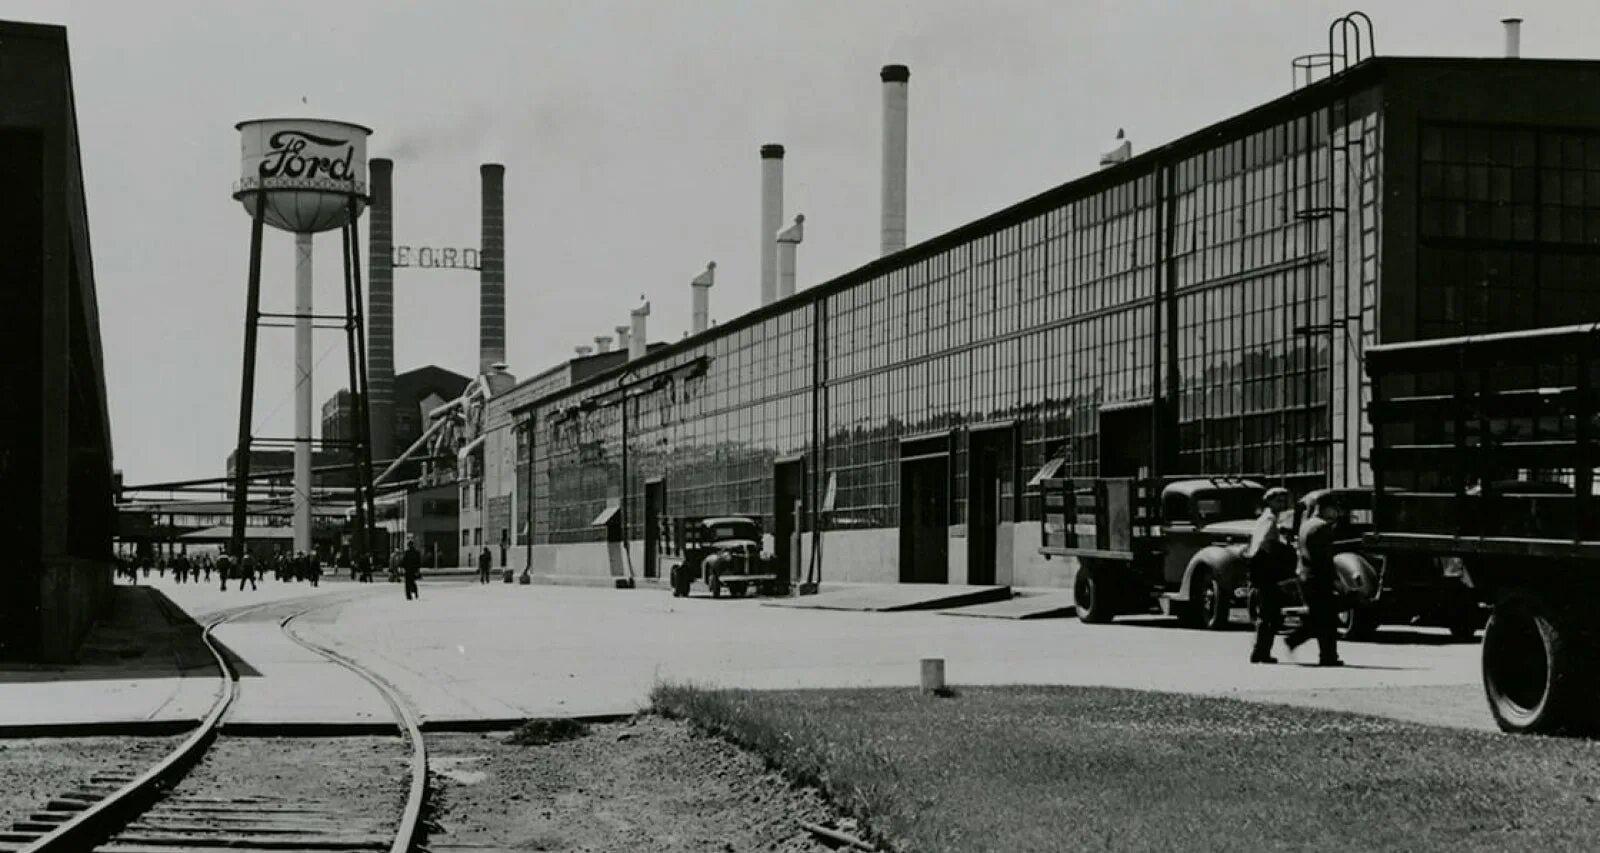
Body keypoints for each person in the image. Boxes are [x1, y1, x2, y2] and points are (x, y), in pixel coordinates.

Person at [1286, 492, 1345, 666]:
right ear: (1326, 508)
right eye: (1334, 509)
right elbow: (1325, 558)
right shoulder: (1322, 527)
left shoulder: (1306, 525)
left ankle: (1326, 654)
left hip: (1305, 575)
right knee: (1326, 618)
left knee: (1320, 617)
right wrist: (1335, 579)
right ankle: (1325, 654)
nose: (1336, 513)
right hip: (1319, 577)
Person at [1245, 487, 1294, 664]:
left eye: (1284, 501)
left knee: (1268, 613)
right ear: (1270, 501)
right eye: (1278, 501)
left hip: (1263, 571)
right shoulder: (1269, 519)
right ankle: (1261, 651)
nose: (1282, 504)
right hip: (1266, 572)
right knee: (1268, 613)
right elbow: (1265, 542)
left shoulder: (1269, 518)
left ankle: (1261, 650)